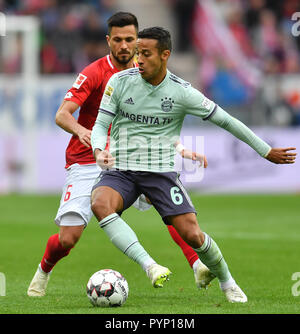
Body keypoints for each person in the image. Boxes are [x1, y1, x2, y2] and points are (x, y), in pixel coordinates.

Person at [90, 26, 297, 303]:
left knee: (193, 234)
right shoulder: (119, 81)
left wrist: (265, 150)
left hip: (160, 173)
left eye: (146, 54)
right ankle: (150, 266)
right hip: (121, 169)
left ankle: (227, 281)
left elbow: (227, 121)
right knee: (100, 204)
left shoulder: (182, 92)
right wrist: (98, 150)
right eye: (138, 53)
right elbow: (101, 123)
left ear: (165, 55)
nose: (138, 59)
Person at [27, 13, 213, 297]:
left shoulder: (146, 74)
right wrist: (82, 131)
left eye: (130, 40)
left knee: (165, 202)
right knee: (68, 238)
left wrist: (181, 149)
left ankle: (198, 265)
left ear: (138, 41)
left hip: (129, 159)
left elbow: (158, 122)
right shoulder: (93, 73)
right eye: (118, 40)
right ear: (108, 41)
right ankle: (44, 269)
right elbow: (62, 115)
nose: (124, 46)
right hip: (87, 160)